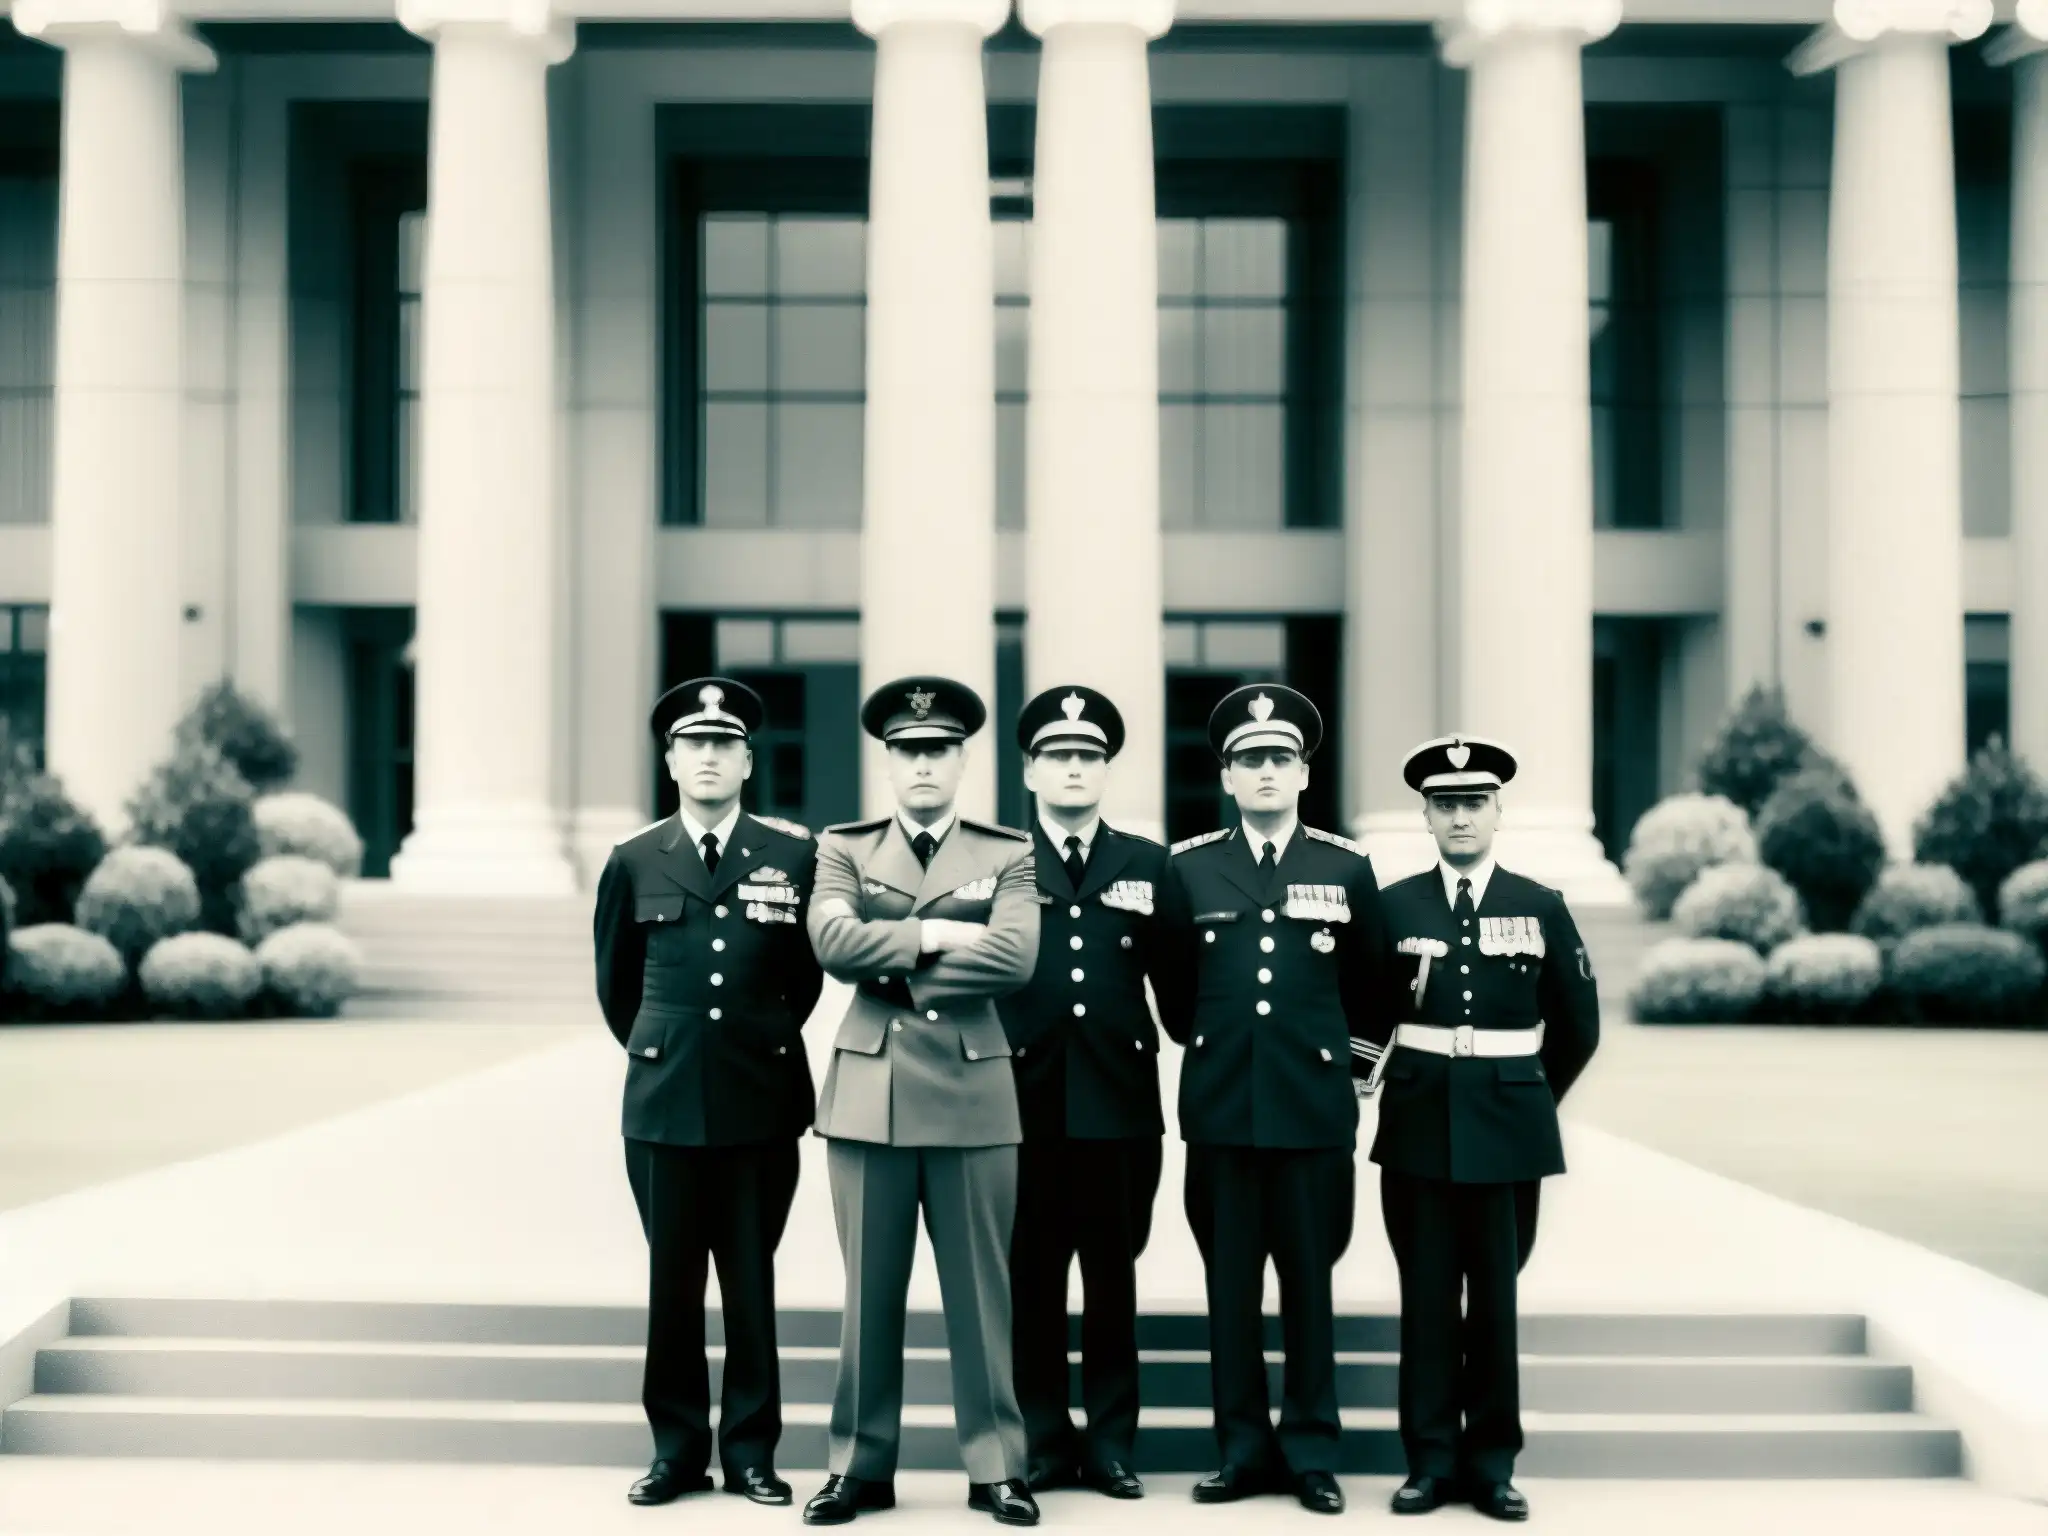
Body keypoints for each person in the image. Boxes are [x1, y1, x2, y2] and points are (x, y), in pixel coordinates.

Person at [801, 675, 1043, 1529]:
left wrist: (887, 952)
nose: (923, 764)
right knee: (870, 1293)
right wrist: (938, 934)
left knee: (982, 1294)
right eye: (908, 751)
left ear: (963, 758)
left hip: (975, 1090)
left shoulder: (1007, 851)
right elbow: (831, 943)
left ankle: (997, 1467)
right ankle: (859, 1467)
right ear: (889, 762)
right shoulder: (845, 848)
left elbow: (1015, 959)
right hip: (873, 1090)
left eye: (939, 749)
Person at [1154, 683, 1393, 1516]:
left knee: (1309, 1287)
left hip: (1313, 1112)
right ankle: (1242, 1450)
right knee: (1229, 1290)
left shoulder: (1346, 866)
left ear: (1302, 774)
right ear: (1226, 776)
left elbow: (1372, 988)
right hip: (1221, 1110)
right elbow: (1177, 998)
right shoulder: (1187, 868)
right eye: (1249, 760)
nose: (1265, 772)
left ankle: (1312, 1452)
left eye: (1280, 759)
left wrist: (1348, 1071)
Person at [591, 676, 825, 1509]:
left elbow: (803, 982)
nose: (711, 756)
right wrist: (669, 1048)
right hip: (662, 1101)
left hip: (761, 1095)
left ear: (748, 760)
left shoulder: (795, 855)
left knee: (752, 1286)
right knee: (673, 1285)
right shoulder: (632, 858)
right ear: (671, 759)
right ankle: (676, 1453)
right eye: (696, 743)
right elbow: (617, 986)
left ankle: (753, 1454)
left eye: (726, 744)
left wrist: (745, 1038)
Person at [1362, 736, 1601, 1523]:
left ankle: (1493, 1464)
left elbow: (1578, 1026)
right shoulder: (1393, 906)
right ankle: (1428, 1463)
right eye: (1444, 805)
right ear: (1425, 816)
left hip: (1509, 1129)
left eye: (1473, 803)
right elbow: (1364, 1015)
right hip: (1420, 1126)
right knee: (1426, 1300)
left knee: (1494, 1300)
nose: (1460, 817)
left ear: (1498, 811)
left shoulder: (1541, 904)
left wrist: (1529, 1094)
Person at [998, 685, 1169, 1500]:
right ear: (1030, 769)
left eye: (1088, 757)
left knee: (1112, 1281)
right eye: (1058, 756)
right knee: (1029, 1280)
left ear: (1106, 770)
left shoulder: (1147, 863)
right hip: (1020, 1103)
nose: (1073, 769)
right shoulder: (998, 857)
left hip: (1118, 1104)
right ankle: (1041, 1438)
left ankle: (1110, 1444)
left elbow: (1178, 982)